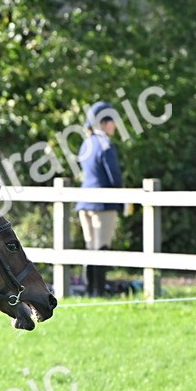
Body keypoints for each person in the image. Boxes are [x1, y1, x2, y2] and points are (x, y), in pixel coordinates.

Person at [75, 101, 124, 297]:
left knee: (90, 246)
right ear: (103, 123)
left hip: (84, 202)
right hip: (103, 204)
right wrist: (121, 199)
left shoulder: (85, 144)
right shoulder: (106, 145)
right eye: (112, 121)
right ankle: (99, 291)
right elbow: (115, 178)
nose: (114, 126)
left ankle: (90, 289)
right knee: (101, 247)